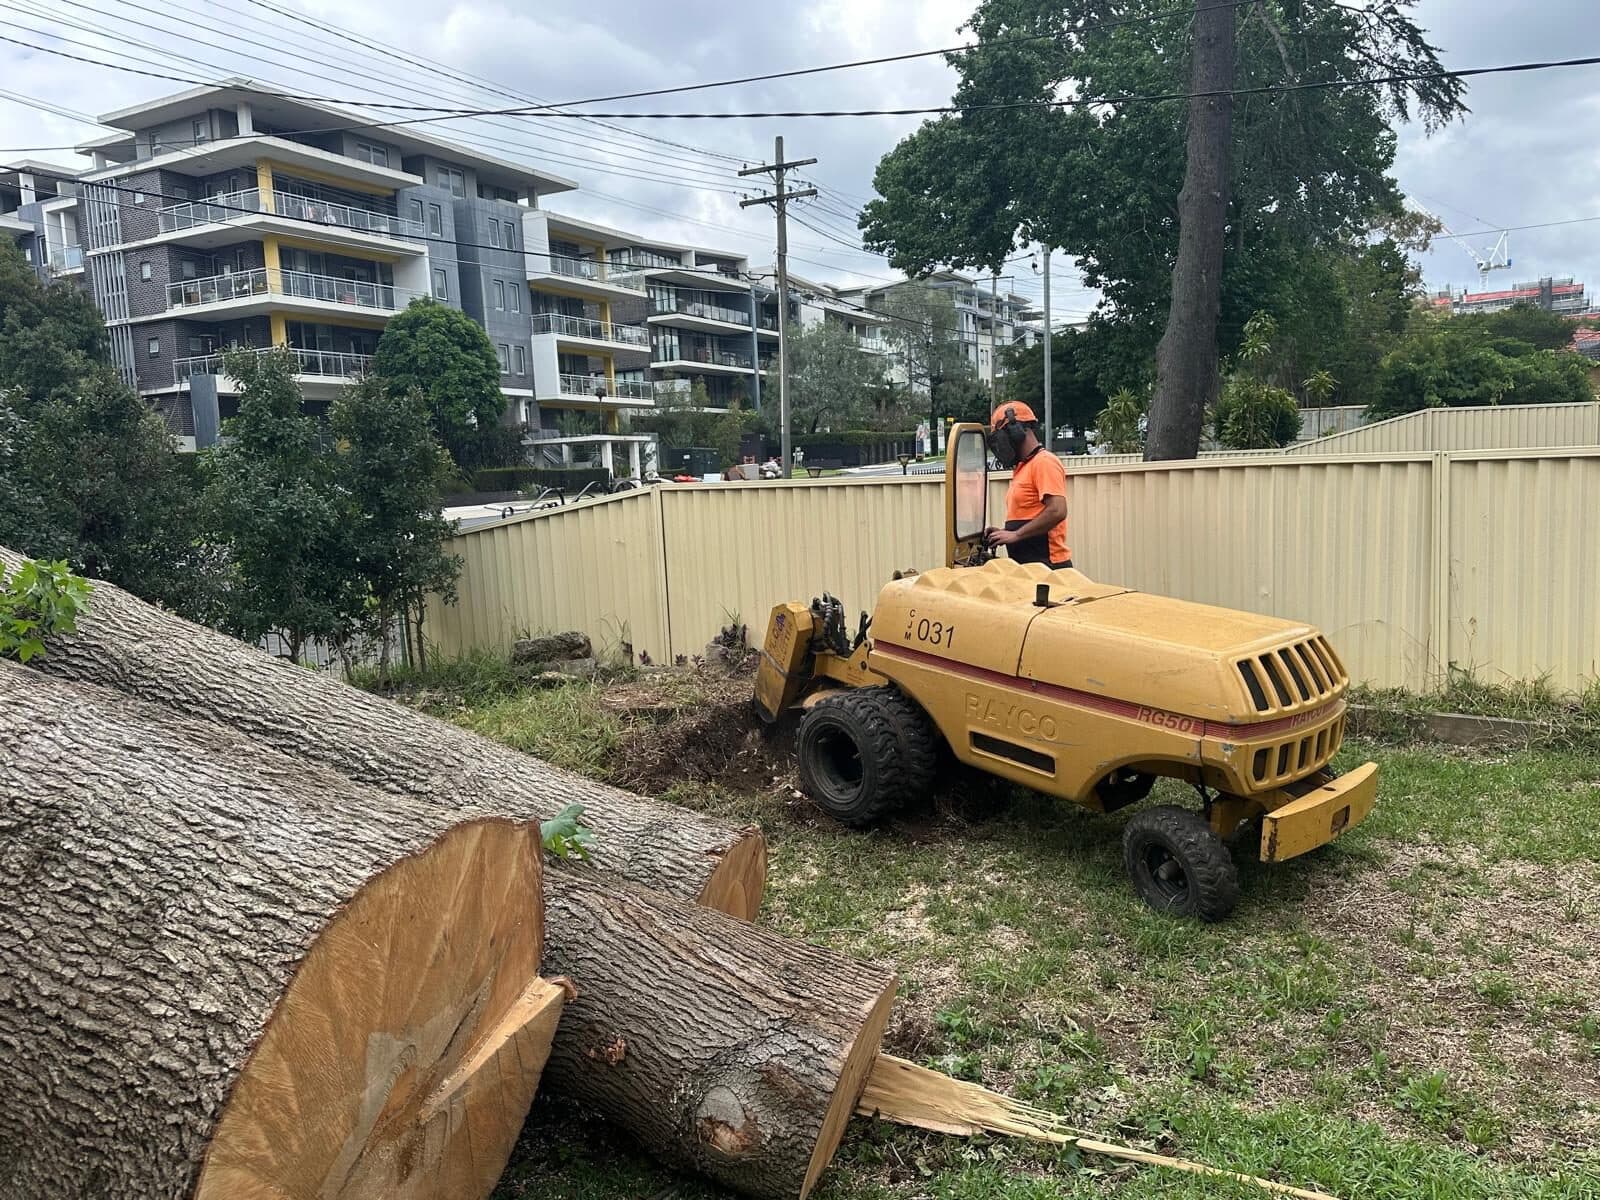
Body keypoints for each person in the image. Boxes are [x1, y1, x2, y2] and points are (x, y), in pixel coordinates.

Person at [984, 402, 1072, 569]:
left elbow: (1057, 510)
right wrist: (1004, 533)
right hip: (1031, 567)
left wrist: (1016, 534)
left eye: (1002, 437)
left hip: (1048, 566)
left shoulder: (1044, 462)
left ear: (1016, 431)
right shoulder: (1024, 467)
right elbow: (1030, 515)